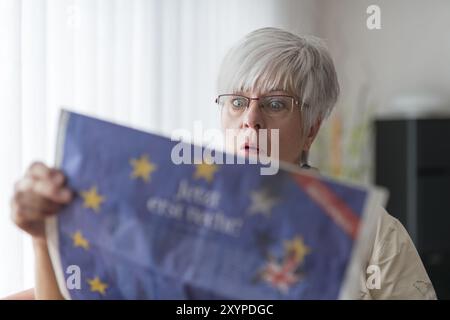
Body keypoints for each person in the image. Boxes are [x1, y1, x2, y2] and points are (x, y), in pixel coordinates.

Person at [10, 27, 436, 299]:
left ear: (310, 128)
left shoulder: (368, 231)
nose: (250, 119)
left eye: (274, 104)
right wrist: (41, 235)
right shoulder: (167, 201)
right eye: (236, 102)